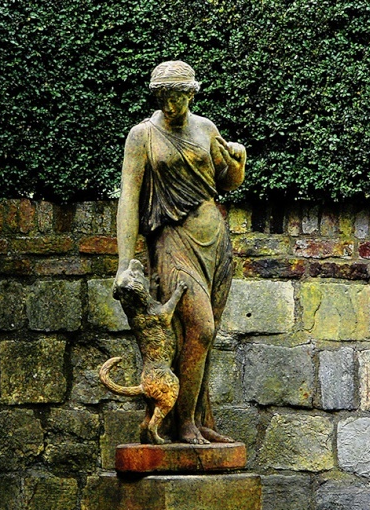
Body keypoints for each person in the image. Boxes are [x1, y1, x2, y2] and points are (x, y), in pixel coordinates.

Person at [114, 60, 247, 445]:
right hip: (172, 240)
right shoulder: (142, 135)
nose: (172, 106)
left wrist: (238, 161)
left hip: (215, 242)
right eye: (164, 98)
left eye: (179, 98)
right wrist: (125, 263)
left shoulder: (206, 129)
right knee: (199, 328)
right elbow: (129, 198)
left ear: (191, 94)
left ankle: (200, 419)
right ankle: (182, 422)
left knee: (205, 334)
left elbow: (226, 183)